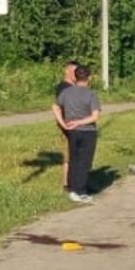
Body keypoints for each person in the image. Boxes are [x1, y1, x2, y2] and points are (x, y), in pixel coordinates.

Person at [52, 65, 102, 204]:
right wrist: (80, 122)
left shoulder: (66, 92)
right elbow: (95, 116)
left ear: (75, 76)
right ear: (89, 78)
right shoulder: (91, 94)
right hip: (87, 131)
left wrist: (63, 123)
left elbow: (55, 107)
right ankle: (80, 191)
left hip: (71, 131)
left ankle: (72, 188)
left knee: (73, 159)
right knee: (84, 162)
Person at [54, 60, 79, 191]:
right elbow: (60, 107)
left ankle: (77, 181)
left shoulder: (75, 87)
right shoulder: (63, 87)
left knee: (77, 154)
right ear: (67, 71)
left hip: (77, 124)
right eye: (74, 72)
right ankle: (67, 183)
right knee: (68, 155)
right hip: (67, 125)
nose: (77, 74)